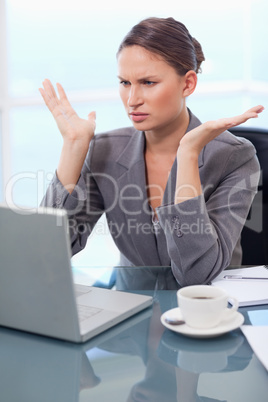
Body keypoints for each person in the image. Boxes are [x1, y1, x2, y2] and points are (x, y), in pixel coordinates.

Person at [40, 17, 264, 287]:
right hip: (129, 306)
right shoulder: (104, 150)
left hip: (208, 311)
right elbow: (47, 253)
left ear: (188, 84)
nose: (132, 99)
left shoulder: (235, 157)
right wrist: (73, 149)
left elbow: (197, 275)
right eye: (125, 83)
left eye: (147, 82)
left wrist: (188, 153)